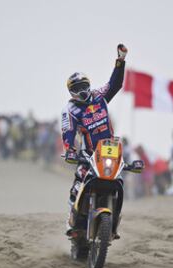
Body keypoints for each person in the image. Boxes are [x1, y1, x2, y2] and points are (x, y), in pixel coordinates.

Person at [61, 44, 127, 235]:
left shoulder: (99, 96)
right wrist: (69, 151)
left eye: (84, 85)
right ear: (71, 91)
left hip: (110, 151)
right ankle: (71, 220)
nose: (82, 90)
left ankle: (114, 221)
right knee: (78, 183)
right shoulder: (71, 109)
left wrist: (120, 61)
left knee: (120, 180)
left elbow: (115, 84)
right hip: (88, 155)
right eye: (77, 88)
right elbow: (68, 132)